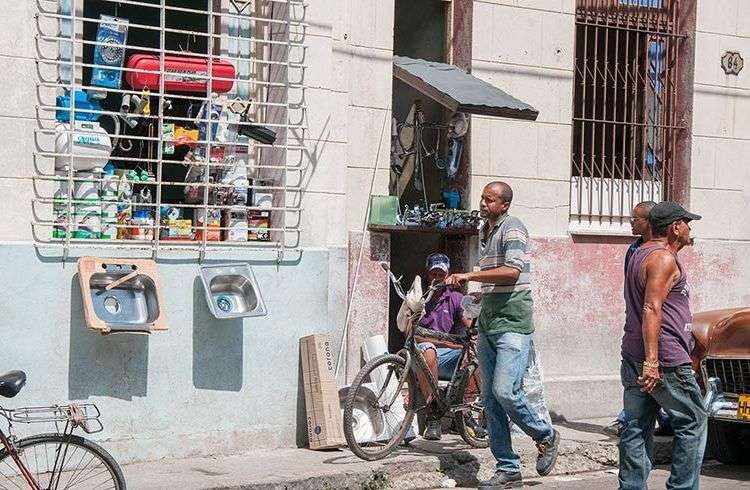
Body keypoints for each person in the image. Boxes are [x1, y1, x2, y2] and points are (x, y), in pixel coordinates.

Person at [446, 181, 559, 488]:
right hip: (490, 322)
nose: (483, 203)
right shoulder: (487, 232)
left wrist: (470, 275)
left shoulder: (513, 228)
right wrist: (479, 297)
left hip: (513, 323)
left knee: (505, 391)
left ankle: (545, 435)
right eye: (482, 198)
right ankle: (507, 467)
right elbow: (500, 281)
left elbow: (512, 271)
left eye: (490, 199)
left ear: (504, 205)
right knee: (491, 400)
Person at [618, 201, 707, 490]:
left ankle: (631, 486)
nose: (690, 228)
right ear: (674, 227)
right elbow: (651, 308)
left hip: (635, 354)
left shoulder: (640, 253)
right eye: (687, 222)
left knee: (635, 426)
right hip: (663, 359)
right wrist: (653, 362)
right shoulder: (662, 259)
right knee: (692, 420)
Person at [415, 253, 483, 441]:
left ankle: (464, 414)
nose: (437, 279)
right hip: (420, 354)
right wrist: (448, 343)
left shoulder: (454, 297)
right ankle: (432, 416)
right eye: (433, 274)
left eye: (440, 275)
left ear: (447, 276)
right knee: (428, 349)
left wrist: (476, 326)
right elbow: (413, 335)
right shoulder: (418, 298)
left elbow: (468, 320)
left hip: (446, 355)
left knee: (474, 353)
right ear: (427, 275)